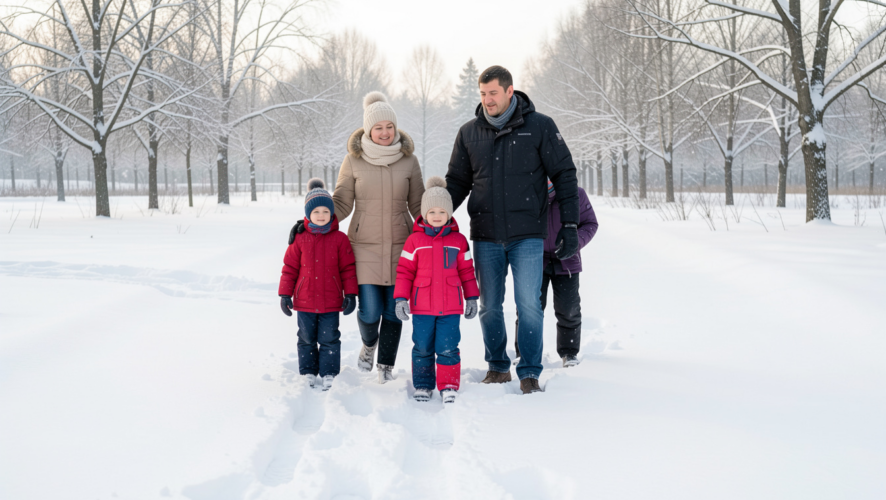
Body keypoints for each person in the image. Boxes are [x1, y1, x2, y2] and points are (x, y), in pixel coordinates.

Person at [445, 65, 579, 394]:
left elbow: (564, 174)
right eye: (482, 94)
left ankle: (529, 371)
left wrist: (570, 224)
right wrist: (436, 216)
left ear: (509, 91)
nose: (487, 100)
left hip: (527, 235)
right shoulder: (469, 133)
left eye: (493, 93)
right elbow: (457, 182)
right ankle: (497, 366)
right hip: (486, 234)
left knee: (529, 304)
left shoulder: (540, 126)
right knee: (489, 305)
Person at [332, 91, 425, 383]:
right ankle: (369, 343)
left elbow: (418, 205)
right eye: (378, 127)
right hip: (364, 248)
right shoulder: (353, 160)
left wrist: (439, 217)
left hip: (401, 247)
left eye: (389, 126)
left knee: (395, 311)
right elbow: (342, 203)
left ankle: (386, 366)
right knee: (370, 310)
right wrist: (314, 217)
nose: (385, 132)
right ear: (368, 130)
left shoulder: (409, 161)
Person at [392, 177, 480, 403]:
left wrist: (472, 297)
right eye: (432, 212)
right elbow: (404, 272)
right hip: (422, 307)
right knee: (422, 346)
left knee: (448, 346)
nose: (437, 216)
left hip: (450, 307)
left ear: (449, 213)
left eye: (442, 211)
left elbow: (467, 271)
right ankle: (423, 384)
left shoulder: (459, 241)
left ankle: (448, 384)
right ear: (424, 214)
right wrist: (401, 298)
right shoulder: (414, 241)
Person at [278, 179, 358, 391]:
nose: (321, 215)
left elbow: (348, 268)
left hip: (331, 301)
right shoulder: (299, 238)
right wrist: (285, 294)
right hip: (304, 301)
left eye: (325, 211)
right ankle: (308, 372)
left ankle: (329, 372)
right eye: (316, 211)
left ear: (331, 213)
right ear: (308, 214)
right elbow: (289, 268)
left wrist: (351, 294)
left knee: (330, 338)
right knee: (306, 338)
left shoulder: (340, 239)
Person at [515, 180, 598, 367]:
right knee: (529, 309)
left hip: (567, 261)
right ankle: (524, 353)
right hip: (535, 260)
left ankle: (569, 353)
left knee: (568, 309)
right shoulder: (525, 193)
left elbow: (590, 223)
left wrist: (574, 242)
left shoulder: (575, 194)